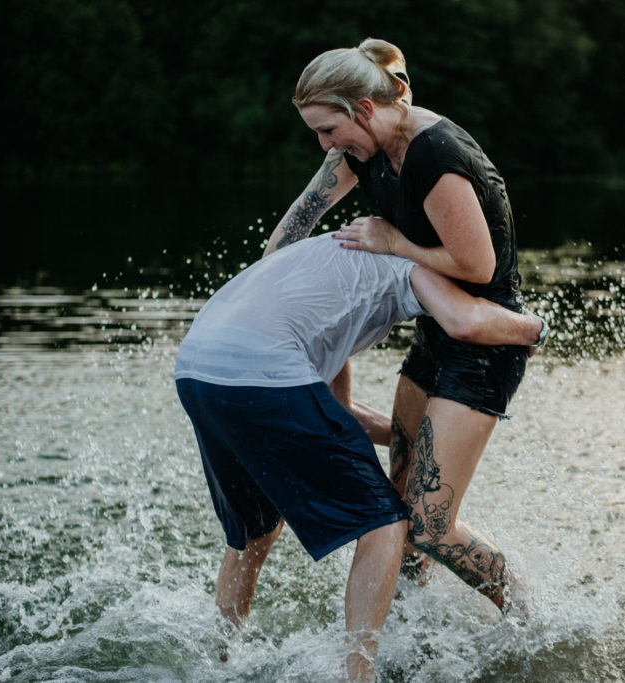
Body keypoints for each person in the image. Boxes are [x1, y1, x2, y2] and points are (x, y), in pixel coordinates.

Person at [175, 235, 546, 680]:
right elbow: (464, 321)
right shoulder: (406, 267)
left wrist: (420, 439)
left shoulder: (328, 267)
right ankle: (359, 675)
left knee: (255, 534)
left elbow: (341, 410)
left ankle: (216, 663)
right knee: (385, 522)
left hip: (198, 368)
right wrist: (536, 329)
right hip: (264, 371)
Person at [264, 38, 538, 613]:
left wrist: (392, 241)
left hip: (484, 339)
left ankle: (532, 615)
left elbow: (476, 265)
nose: (325, 145)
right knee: (397, 504)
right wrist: (266, 292)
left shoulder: (434, 153)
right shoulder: (358, 150)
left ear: (364, 109)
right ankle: (411, 628)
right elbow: (295, 226)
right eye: (316, 132)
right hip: (435, 333)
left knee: (430, 525)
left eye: (328, 130)